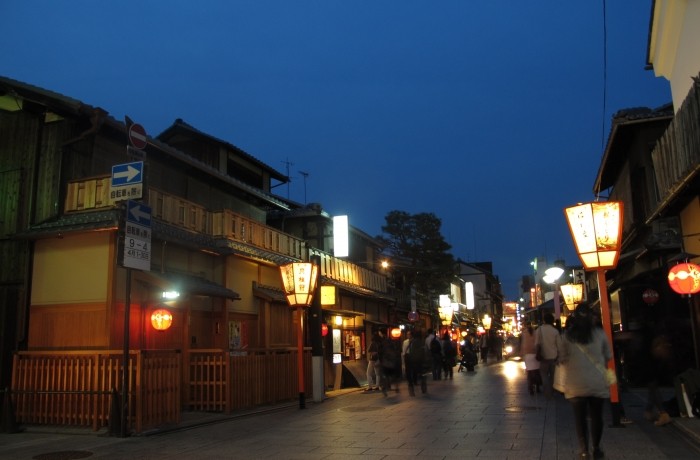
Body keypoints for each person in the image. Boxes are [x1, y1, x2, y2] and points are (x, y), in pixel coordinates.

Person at [559, 302, 612, 460]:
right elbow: (608, 355)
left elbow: (561, 359)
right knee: (597, 416)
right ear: (591, 317)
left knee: (580, 418)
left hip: (576, 384)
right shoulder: (600, 334)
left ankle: (584, 450)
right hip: (597, 381)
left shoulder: (566, 336)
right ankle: (596, 448)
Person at [535, 312, 562, 399]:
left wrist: (537, 353)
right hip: (553, 357)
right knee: (553, 376)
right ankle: (551, 392)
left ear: (544, 320)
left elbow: (536, 344)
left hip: (543, 356)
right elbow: (559, 345)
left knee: (544, 374)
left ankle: (547, 393)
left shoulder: (539, 330)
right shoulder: (555, 331)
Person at [520, 321, 541, 395]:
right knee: (536, 371)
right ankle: (538, 386)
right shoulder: (535, 332)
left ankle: (530, 387)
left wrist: (522, 354)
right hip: (535, 353)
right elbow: (538, 343)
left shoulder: (524, 333)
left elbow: (523, 344)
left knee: (529, 372)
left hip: (527, 355)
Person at [405, 330, 428, 396]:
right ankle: (423, 387)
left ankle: (411, 390)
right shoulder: (422, 342)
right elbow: (424, 351)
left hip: (413, 360)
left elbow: (411, 352)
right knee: (421, 374)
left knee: (411, 375)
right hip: (420, 361)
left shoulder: (412, 342)